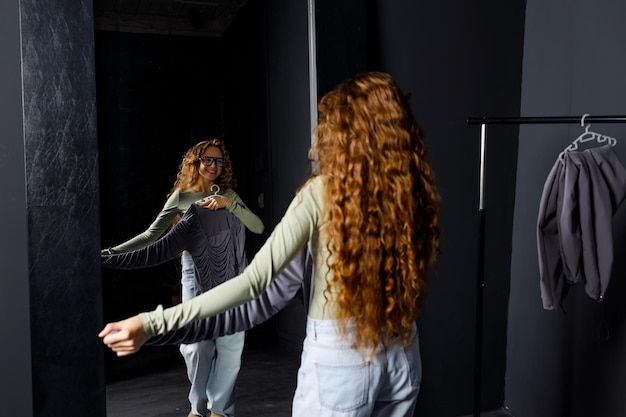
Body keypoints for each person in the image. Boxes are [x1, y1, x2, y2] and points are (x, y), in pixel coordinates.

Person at [100, 71, 440, 417]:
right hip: (402, 349)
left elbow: (255, 288)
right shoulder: (408, 194)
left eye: (325, 127)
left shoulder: (322, 193)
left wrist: (153, 324)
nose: (314, 145)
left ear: (346, 137)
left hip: (342, 363)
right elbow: (159, 240)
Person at [102, 138, 264, 417]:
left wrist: (230, 204)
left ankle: (220, 410)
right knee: (196, 345)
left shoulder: (229, 195)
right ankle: (197, 406)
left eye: (219, 161)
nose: (214, 166)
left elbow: (257, 227)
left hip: (233, 275)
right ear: (195, 162)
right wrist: (113, 252)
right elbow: (152, 236)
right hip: (195, 274)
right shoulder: (181, 197)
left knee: (230, 343)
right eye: (208, 160)